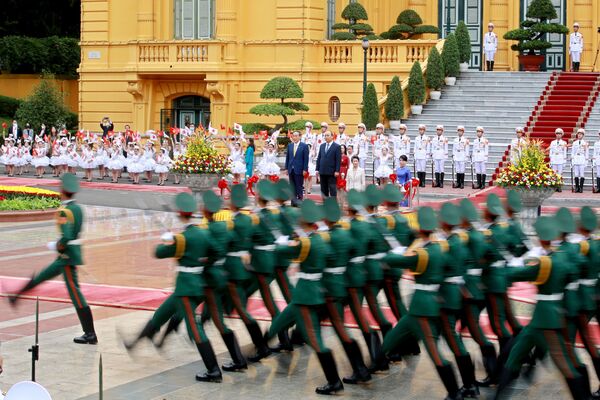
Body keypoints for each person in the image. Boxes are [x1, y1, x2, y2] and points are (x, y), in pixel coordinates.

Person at [121, 192, 223, 382]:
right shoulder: (203, 232)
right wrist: (202, 262)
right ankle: (133, 344)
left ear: (179, 214)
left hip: (186, 288)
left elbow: (158, 252)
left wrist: (167, 241)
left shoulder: (181, 239)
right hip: (194, 285)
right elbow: (217, 252)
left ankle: (214, 370)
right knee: (161, 314)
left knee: (194, 328)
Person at [495, 216, 589, 400]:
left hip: (546, 319)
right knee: (515, 355)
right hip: (544, 317)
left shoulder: (545, 262)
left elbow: (517, 274)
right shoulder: (561, 256)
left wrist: (505, 265)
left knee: (564, 364)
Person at [383, 207, 463, 400]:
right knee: (389, 343)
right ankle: (370, 365)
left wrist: (393, 254)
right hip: (420, 309)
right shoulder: (439, 247)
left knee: (435, 353)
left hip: (424, 309)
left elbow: (394, 260)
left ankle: (455, 392)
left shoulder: (423, 253)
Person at [9, 174, 98, 344]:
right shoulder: (78, 208)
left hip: (67, 257)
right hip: (69, 255)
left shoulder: (64, 211)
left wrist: (56, 244)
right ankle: (16, 296)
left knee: (75, 294)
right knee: (42, 276)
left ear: (63, 190)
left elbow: (68, 235)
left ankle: (90, 333)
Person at [285, 131, 309, 206]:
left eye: (296, 136)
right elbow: (288, 157)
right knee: (292, 187)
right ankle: (293, 202)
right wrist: (286, 168)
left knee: (299, 186)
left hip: (299, 169)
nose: (294, 137)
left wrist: (305, 169)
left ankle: (299, 202)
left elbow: (306, 159)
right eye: (293, 136)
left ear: (300, 136)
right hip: (291, 169)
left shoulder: (304, 146)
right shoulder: (290, 145)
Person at [316, 131, 341, 198]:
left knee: (332, 189)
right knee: (323, 190)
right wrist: (317, 169)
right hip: (322, 171)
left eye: (327, 135)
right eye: (325, 135)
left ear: (332, 136)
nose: (326, 137)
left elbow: (338, 160)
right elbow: (319, 157)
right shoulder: (322, 146)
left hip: (332, 172)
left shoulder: (337, 146)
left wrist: (337, 170)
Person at [550, 128, 568, 192]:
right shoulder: (552, 142)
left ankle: (559, 186)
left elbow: (565, 152)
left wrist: (564, 161)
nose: (558, 135)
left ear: (562, 135)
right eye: (557, 134)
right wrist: (551, 160)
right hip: (554, 158)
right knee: (554, 173)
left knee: (560, 173)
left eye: (559, 134)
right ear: (555, 134)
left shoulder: (564, 142)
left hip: (560, 158)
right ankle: (554, 186)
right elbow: (551, 152)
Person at [571, 128, 589, 193]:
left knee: (581, 174)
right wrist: (572, 160)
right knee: (576, 174)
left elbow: (587, 152)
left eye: (581, 134)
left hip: (582, 159)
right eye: (578, 134)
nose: (579, 135)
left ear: (583, 135)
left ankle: (581, 188)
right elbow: (572, 152)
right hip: (576, 158)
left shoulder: (585, 143)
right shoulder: (574, 143)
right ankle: (576, 187)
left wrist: (586, 161)